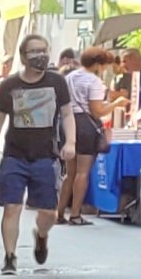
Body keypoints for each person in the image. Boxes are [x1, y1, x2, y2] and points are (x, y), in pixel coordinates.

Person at [0, 34, 71, 274]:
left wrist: (71, 142)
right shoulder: (10, 85)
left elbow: (67, 114)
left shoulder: (56, 82)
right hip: (14, 155)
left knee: (49, 212)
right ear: (23, 57)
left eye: (43, 50)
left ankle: (41, 234)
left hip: (45, 156)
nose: (40, 56)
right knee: (12, 207)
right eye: (34, 51)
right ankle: (10, 257)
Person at [61, 47, 110, 222]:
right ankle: (75, 214)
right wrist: (117, 103)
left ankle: (59, 213)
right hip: (85, 126)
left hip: (68, 122)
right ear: (97, 64)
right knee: (82, 172)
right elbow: (97, 111)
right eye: (103, 66)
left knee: (70, 173)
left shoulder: (70, 77)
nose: (104, 69)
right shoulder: (94, 81)